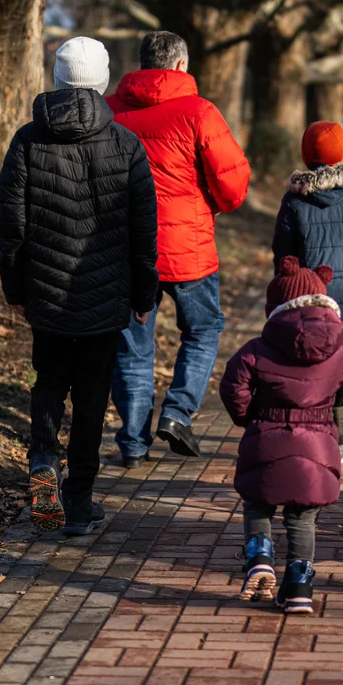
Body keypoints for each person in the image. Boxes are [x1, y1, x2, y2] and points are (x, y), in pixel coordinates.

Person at [0, 37, 159, 536]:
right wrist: (143, 294)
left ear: (58, 76)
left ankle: (44, 460)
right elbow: (143, 229)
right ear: (104, 80)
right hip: (107, 295)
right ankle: (80, 501)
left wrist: (16, 288)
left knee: (49, 381)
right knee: (91, 395)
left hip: (46, 290)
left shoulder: (27, 139)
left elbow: (12, 223)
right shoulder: (126, 144)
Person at [106, 31, 251, 466]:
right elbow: (233, 181)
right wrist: (216, 204)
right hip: (188, 248)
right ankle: (177, 412)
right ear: (182, 66)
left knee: (132, 347)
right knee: (204, 330)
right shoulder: (199, 112)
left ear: (143, 64)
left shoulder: (110, 112)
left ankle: (132, 443)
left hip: (128, 251)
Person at [219, 257, 343, 613]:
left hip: (267, 435)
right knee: (302, 517)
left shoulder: (258, 348)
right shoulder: (339, 349)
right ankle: (299, 587)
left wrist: (249, 418)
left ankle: (259, 555)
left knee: (258, 502)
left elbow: (234, 384)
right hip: (318, 444)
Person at [271, 120, 343, 450]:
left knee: (311, 360)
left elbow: (283, 254)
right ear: (341, 154)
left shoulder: (294, 201)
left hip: (310, 297)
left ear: (306, 155)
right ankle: (340, 410)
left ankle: (316, 427)